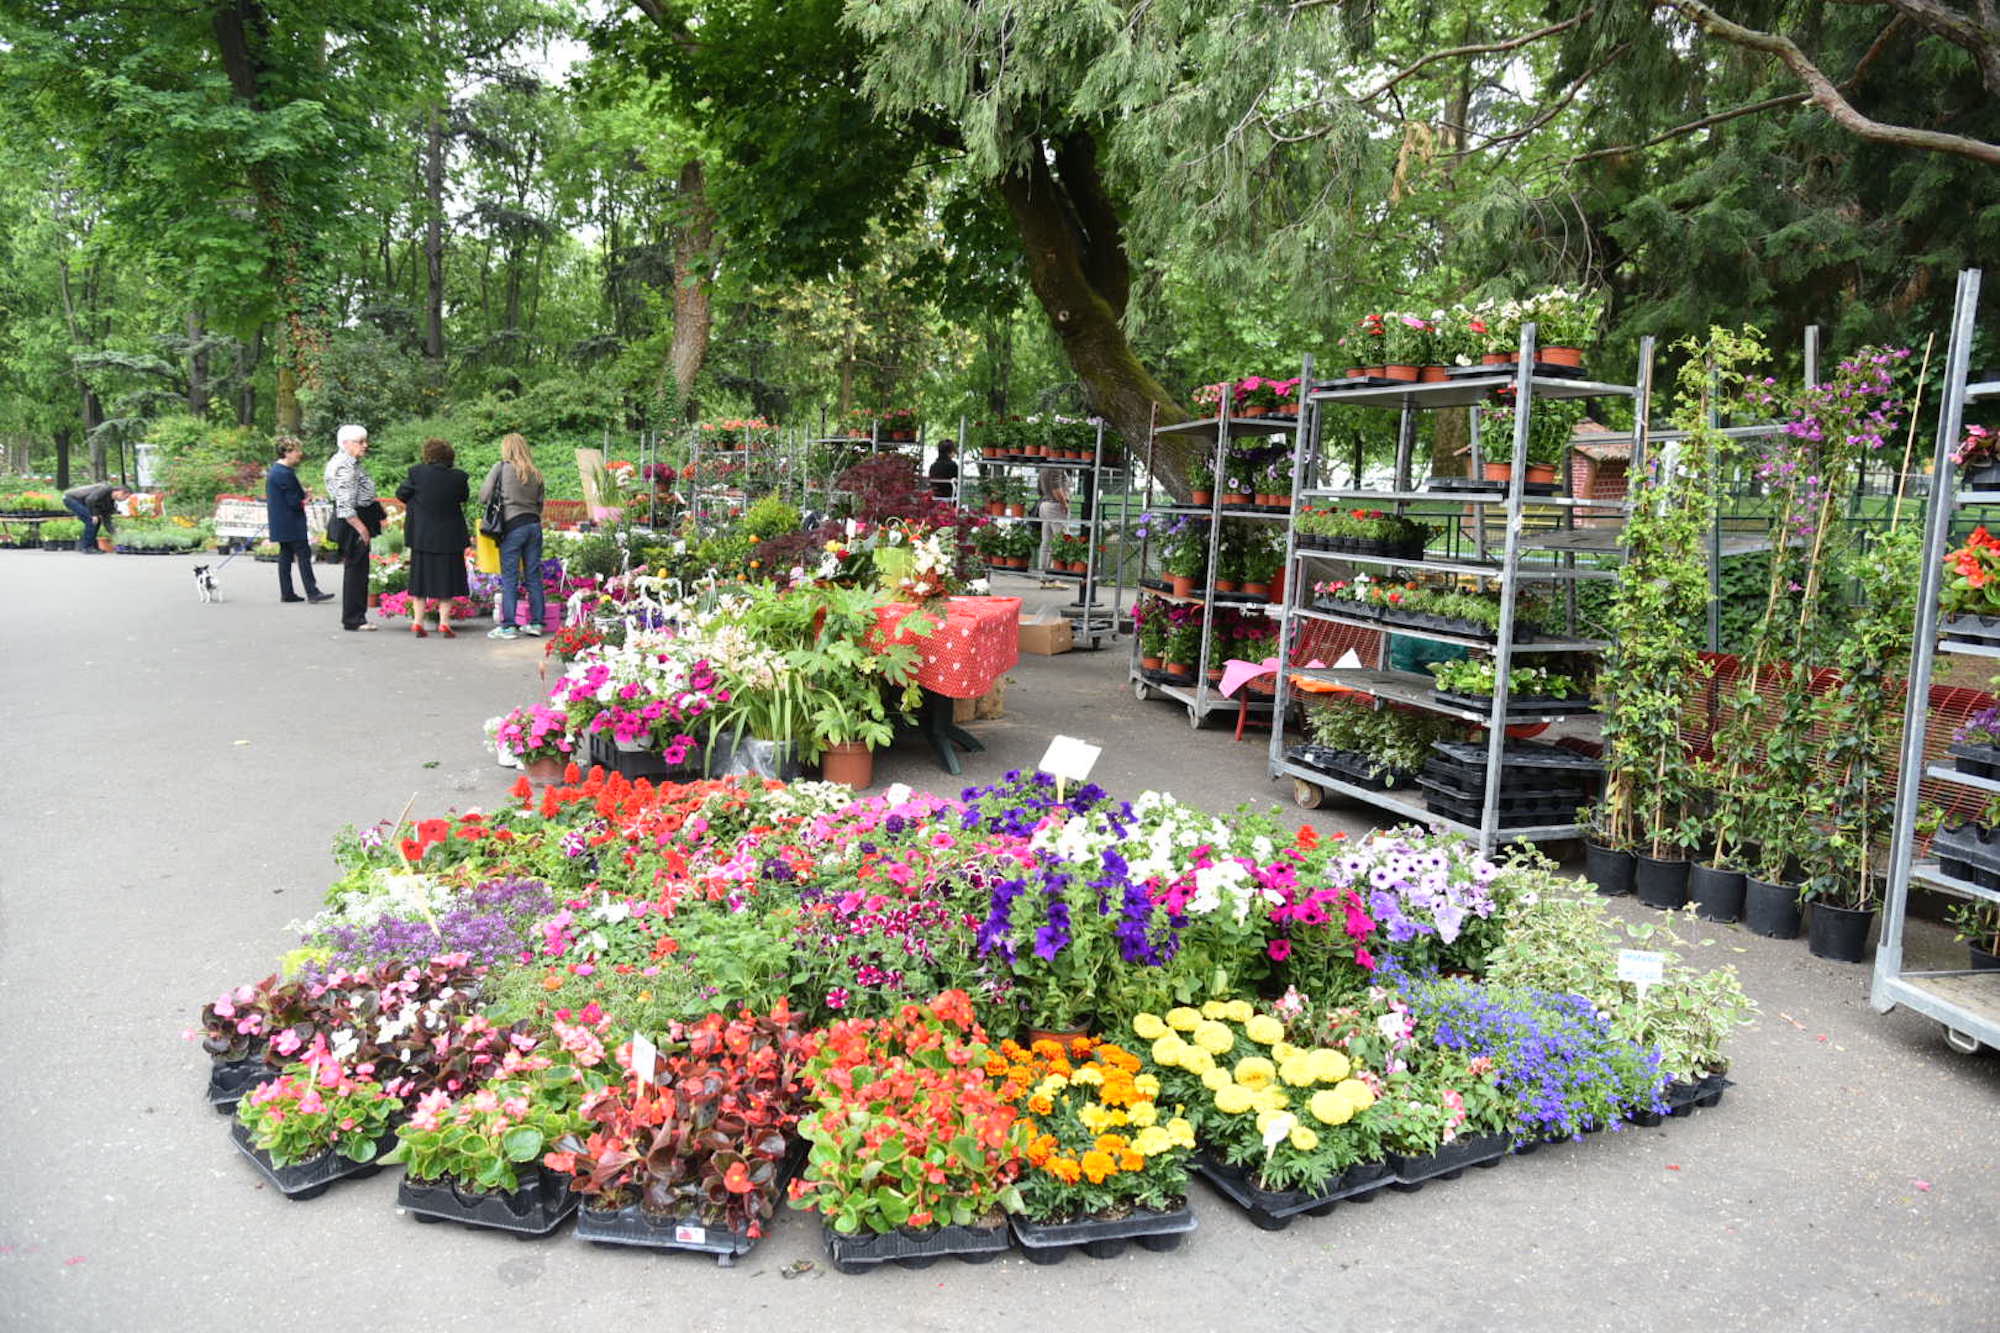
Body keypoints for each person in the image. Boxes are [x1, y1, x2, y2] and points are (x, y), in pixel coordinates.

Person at [396, 438, 471, 638]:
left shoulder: (416, 473)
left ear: (427, 455)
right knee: (447, 580)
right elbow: (463, 497)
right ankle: (444, 623)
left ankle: (417, 621)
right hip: (449, 538)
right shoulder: (459, 477)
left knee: (419, 580)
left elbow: (401, 494)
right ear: (449, 456)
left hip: (422, 537)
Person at [480, 432, 547, 641]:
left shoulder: (501, 468)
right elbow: (540, 504)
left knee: (509, 576)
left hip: (512, 526)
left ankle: (509, 626)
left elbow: (484, 496)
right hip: (534, 526)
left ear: (506, 448)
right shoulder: (536, 473)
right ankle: (536, 623)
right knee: (533, 575)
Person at [324, 424, 385, 632]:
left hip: (358, 519)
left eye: (365, 441)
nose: (365, 445)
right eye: (360, 442)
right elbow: (344, 505)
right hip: (354, 523)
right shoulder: (344, 466)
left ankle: (357, 616)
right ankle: (354, 618)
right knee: (356, 571)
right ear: (345, 444)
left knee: (358, 569)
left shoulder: (351, 463)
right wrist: (362, 529)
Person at [265, 438, 331, 603]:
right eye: (296, 451)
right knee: (303, 554)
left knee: (286, 555)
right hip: (291, 522)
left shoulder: (275, 471)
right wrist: (306, 498)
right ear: (287, 452)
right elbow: (294, 502)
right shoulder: (285, 473)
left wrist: (301, 495)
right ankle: (312, 592)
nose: (299, 454)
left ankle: (287, 593)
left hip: (280, 521)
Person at [61, 480, 130, 552]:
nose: (125, 499)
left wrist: (114, 532)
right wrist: (94, 515)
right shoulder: (105, 489)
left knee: (97, 521)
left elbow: (107, 520)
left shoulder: (109, 503)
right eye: (126, 496)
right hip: (71, 498)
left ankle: (92, 546)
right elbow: (90, 500)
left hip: (82, 501)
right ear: (121, 492)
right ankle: (87, 547)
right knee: (91, 520)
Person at [1037, 463, 1071, 573]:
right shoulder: (1057, 466)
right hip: (1056, 506)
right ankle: (1054, 574)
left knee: (1046, 542)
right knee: (1060, 541)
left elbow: (1039, 489)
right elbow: (1056, 488)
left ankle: (1044, 574)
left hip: (1045, 504)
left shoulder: (1043, 467)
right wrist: (1064, 503)